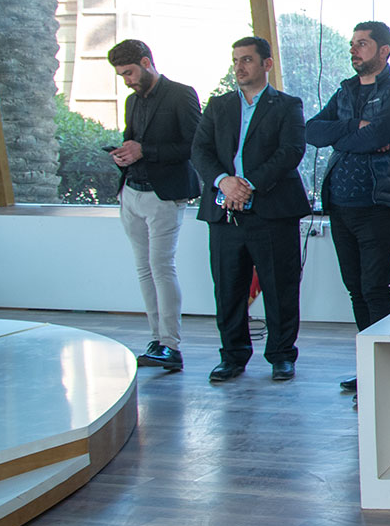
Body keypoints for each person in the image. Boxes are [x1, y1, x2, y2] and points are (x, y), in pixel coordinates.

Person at [191, 36, 310, 382]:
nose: (239, 67)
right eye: (236, 60)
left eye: (246, 60)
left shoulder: (287, 105)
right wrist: (224, 182)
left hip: (272, 210)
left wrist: (248, 185)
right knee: (228, 288)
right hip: (224, 210)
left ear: (266, 64)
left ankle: (281, 356)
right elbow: (200, 151)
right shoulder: (218, 105)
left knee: (279, 287)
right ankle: (232, 356)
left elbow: (291, 151)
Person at [307, 21, 390, 353]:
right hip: (340, 205)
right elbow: (312, 131)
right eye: (353, 43)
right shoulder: (345, 91)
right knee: (355, 289)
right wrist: (355, 126)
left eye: (362, 43)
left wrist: (343, 138)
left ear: (384, 51)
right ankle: (371, 365)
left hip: (377, 204)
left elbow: (378, 135)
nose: (353, 49)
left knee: (375, 288)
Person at [107, 39, 202, 374]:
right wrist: (123, 154)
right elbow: (132, 139)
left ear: (146, 62)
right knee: (144, 269)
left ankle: (171, 346)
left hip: (165, 195)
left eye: (129, 72)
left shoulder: (181, 94)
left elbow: (195, 145)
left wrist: (145, 151)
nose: (127, 80)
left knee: (161, 268)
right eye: (122, 75)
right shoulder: (132, 101)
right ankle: (156, 341)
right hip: (131, 192)